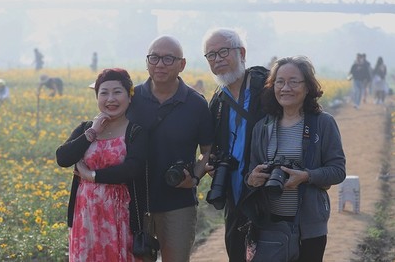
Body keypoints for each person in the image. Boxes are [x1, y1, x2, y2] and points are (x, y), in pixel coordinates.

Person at [246, 55, 346, 262]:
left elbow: (338, 170)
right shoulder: (262, 127)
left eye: (293, 81)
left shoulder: (323, 123)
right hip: (270, 224)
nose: (285, 88)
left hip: (309, 225)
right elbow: (251, 171)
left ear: (308, 87)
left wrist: (306, 176)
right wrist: (252, 179)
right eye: (279, 82)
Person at [127, 35, 214, 261]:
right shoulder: (131, 99)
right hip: (134, 202)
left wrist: (194, 177)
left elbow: (208, 150)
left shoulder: (196, 103)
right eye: (154, 58)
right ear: (147, 62)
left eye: (168, 59)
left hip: (178, 204)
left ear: (181, 64)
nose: (160, 64)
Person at [56, 68, 148, 261]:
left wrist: (92, 176)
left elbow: (132, 169)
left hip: (121, 215)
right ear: (97, 98)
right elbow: (63, 158)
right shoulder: (86, 128)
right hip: (85, 214)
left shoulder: (136, 131)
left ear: (129, 97)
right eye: (104, 93)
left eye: (117, 92)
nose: (110, 99)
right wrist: (92, 133)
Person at [202, 28, 268, 262]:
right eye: (211, 55)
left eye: (223, 52)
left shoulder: (267, 89)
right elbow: (213, 147)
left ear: (241, 52)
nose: (217, 59)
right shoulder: (218, 101)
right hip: (235, 197)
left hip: (267, 196)